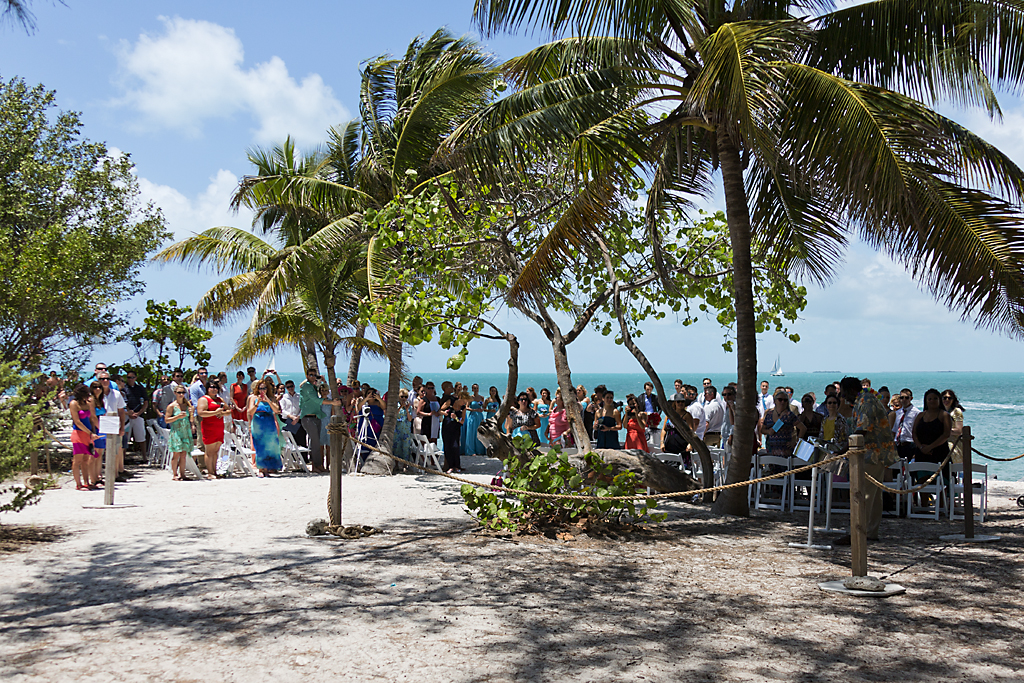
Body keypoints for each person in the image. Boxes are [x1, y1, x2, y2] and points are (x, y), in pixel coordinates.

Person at [835, 377, 898, 544]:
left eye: (842, 391)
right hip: (874, 453)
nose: (841, 395)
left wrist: (842, 451)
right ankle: (870, 532)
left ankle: (857, 534)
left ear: (848, 390)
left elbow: (862, 430)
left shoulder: (866, 401)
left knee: (864, 494)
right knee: (874, 497)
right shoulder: (862, 400)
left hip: (873, 453)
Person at [912, 388, 952, 481]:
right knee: (922, 483)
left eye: (935, 399)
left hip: (939, 453)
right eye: (929, 399)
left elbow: (946, 434)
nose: (932, 401)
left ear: (939, 400)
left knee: (942, 484)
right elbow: (914, 433)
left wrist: (930, 447)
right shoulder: (920, 415)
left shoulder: (944, 415)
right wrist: (921, 448)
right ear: (926, 401)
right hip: (922, 454)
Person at [247, 377, 283, 476]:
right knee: (260, 446)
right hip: (258, 423)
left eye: (264, 388)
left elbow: (277, 410)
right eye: (260, 388)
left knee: (271, 445)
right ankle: (261, 469)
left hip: (269, 423)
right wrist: (257, 402)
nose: (262, 390)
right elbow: (250, 412)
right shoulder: (253, 398)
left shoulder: (271, 398)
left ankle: (270, 467)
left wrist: (268, 401)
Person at [97, 372, 128, 482]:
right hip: (99, 423)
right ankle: (99, 476)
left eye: (107, 379)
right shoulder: (95, 395)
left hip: (114, 423)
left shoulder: (116, 394)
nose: (105, 381)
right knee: (99, 451)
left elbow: (121, 411)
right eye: (102, 379)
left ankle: (114, 474)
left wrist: (122, 427)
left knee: (115, 450)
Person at [197, 379, 230, 479]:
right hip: (209, 427)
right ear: (207, 388)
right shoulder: (204, 399)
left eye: (216, 387)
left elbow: (228, 410)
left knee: (216, 451)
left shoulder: (219, 400)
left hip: (219, 427)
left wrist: (222, 413)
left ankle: (215, 471)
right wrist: (215, 413)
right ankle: (210, 472)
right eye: (212, 387)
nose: (214, 389)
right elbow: (201, 412)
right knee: (209, 451)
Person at [68, 385, 97, 490]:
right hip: (79, 434)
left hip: (88, 435)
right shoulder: (74, 404)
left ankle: (86, 482)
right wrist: (90, 433)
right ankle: (78, 484)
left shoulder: (87, 404)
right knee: (77, 460)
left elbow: (91, 419)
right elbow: (77, 421)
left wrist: (93, 432)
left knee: (86, 459)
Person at [761, 389, 805, 458]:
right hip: (771, 449)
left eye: (785, 400)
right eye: (780, 399)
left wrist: (796, 442)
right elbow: (762, 430)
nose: (782, 402)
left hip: (785, 450)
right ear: (775, 401)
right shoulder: (769, 414)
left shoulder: (789, 415)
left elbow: (803, 428)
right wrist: (769, 431)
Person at [164, 384, 194, 480]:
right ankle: (174, 474)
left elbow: (191, 419)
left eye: (183, 392)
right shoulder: (172, 406)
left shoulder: (187, 404)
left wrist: (192, 414)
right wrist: (177, 416)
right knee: (176, 454)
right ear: (175, 393)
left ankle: (182, 474)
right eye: (179, 392)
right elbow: (167, 420)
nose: (181, 394)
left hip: (185, 431)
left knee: (184, 454)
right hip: (176, 431)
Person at [299, 369, 326, 472]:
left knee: (316, 442)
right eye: (311, 375)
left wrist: (322, 381)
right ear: (307, 375)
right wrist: (331, 402)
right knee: (315, 442)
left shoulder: (313, 387)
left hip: (315, 417)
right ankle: (315, 466)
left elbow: (324, 391)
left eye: (315, 375)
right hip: (308, 418)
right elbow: (316, 400)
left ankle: (318, 465)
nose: (313, 377)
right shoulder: (306, 386)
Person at [121, 370, 149, 457]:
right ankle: (123, 458)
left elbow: (146, 402)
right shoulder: (124, 389)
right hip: (126, 416)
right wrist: (129, 412)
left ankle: (144, 457)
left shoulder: (140, 388)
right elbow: (122, 402)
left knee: (141, 436)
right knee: (125, 437)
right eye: (128, 377)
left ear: (135, 378)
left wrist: (139, 413)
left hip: (138, 415)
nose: (130, 379)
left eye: (132, 377)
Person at [893, 389, 920, 461]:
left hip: (910, 445)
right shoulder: (897, 413)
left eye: (906, 397)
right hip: (898, 445)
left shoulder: (916, 413)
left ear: (911, 398)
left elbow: (918, 431)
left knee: (910, 469)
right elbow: (894, 430)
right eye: (902, 397)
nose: (904, 400)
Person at [440, 391, 464, 472]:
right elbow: (440, 410)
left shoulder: (463, 408)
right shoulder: (450, 402)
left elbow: (462, 421)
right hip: (447, 426)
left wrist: (456, 418)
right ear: (460, 398)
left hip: (456, 427)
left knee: (455, 446)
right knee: (447, 446)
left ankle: (457, 466)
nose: (464, 403)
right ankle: (450, 466)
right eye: (463, 401)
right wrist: (445, 413)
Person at [462, 384, 486, 456]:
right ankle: (471, 450)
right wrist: (474, 409)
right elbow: (466, 407)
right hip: (473, 416)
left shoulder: (481, 397)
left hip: (479, 416)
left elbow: (483, 407)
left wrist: (482, 408)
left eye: (477, 388)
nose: (476, 390)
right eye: (474, 388)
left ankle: (480, 450)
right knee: (472, 433)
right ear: (472, 389)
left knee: (480, 433)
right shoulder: (470, 398)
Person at [942, 390, 965, 463]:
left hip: (953, 443)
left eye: (949, 398)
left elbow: (959, 430)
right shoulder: (939, 411)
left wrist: (944, 431)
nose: (947, 400)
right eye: (944, 398)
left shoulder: (956, 411)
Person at [394, 388, 413, 462]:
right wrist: (400, 407)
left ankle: (405, 464)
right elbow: (394, 415)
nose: (404, 399)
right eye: (402, 397)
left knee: (406, 447)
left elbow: (410, 418)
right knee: (396, 447)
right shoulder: (396, 405)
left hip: (406, 429)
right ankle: (396, 463)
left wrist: (407, 409)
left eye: (405, 397)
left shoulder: (408, 406)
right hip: (397, 428)